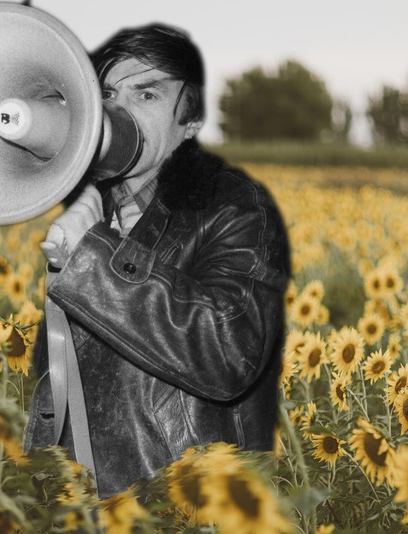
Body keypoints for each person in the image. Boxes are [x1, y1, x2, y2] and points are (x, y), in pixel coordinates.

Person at [23, 23, 291, 500]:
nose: (117, 111)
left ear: (188, 122)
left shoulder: (232, 210)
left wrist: (92, 260)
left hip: (182, 516)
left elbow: (227, 352)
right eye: (107, 93)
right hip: (79, 512)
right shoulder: (91, 210)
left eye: (146, 95)